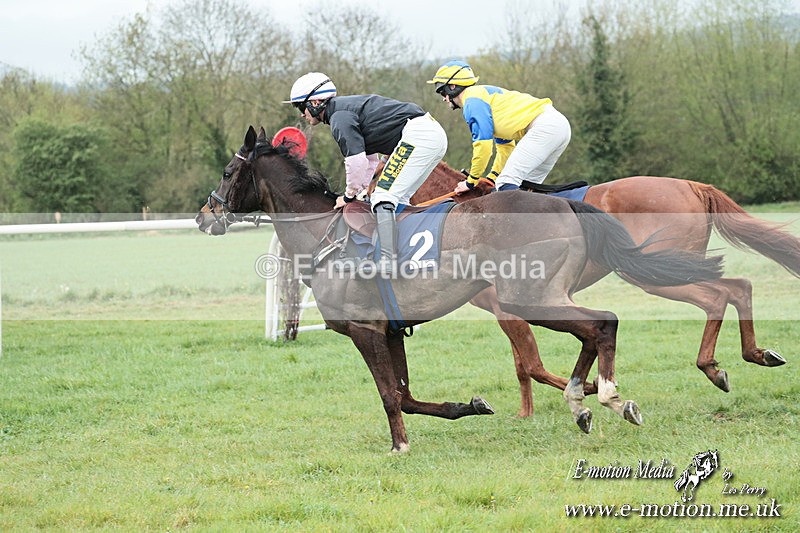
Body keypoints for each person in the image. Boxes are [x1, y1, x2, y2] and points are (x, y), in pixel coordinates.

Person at [285, 72, 447, 276]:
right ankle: (408, 253)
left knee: (383, 196)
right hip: (429, 134)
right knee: (395, 198)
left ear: (316, 102)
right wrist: (360, 191)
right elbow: (370, 161)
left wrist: (349, 195)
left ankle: (387, 262)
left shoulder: (339, 118)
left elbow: (355, 161)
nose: (302, 114)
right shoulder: (344, 110)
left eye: (301, 107)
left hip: (419, 136)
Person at [427, 60, 571, 193]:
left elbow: (483, 147)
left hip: (545, 127)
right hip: (558, 126)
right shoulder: (482, 97)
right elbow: (505, 147)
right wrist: (492, 176)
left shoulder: (472, 102)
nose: (443, 98)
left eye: (442, 91)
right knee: (527, 189)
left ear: (453, 87)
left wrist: (471, 182)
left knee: (506, 182)